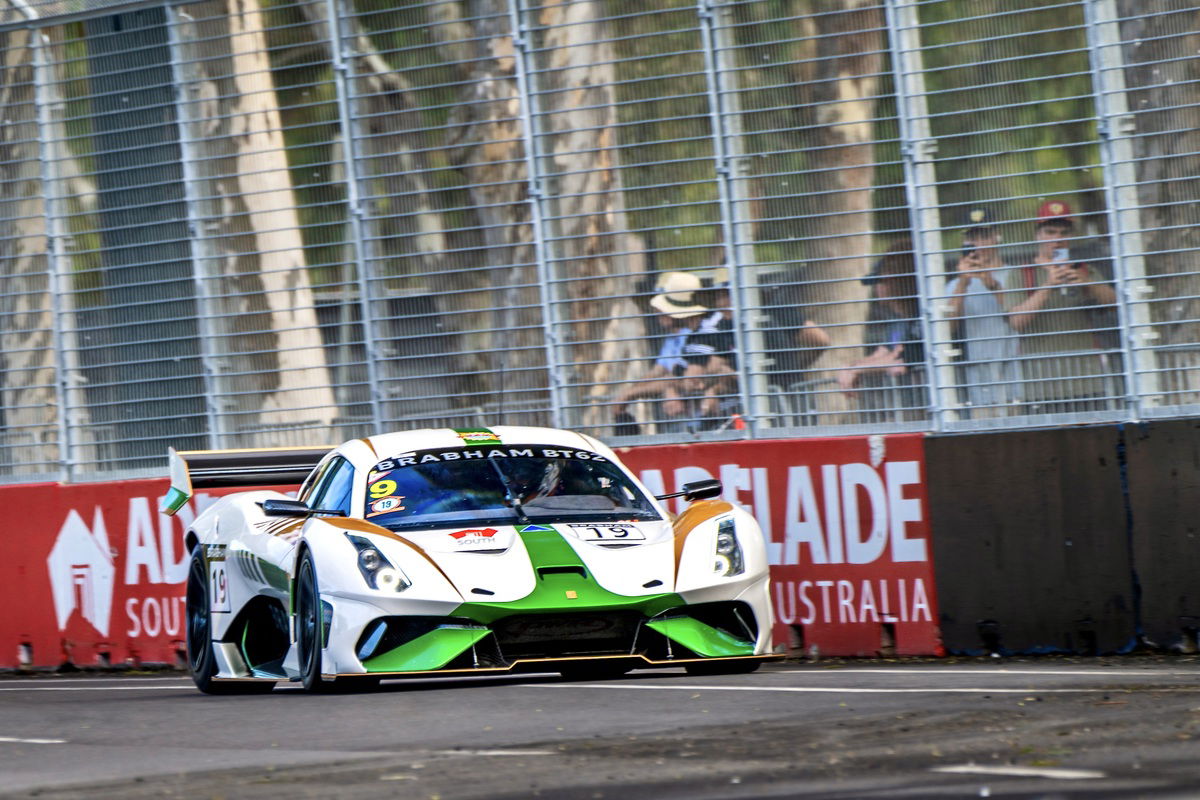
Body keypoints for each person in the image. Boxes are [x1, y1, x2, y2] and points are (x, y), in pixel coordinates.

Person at [1003, 200, 1120, 414]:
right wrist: (1048, 286)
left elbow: (1115, 305)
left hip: (1087, 383)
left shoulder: (1083, 269)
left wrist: (1087, 283)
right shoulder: (1022, 274)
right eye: (1050, 232)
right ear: (1037, 235)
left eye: (1063, 233)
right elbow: (1017, 322)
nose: (1057, 239)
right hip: (1040, 388)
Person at [612, 271, 712, 434]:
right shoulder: (679, 337)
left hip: (707, 416)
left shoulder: (701, 333)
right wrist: (628, 393)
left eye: (662, 307)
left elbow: (688, 378)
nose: (657, 312)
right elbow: (661, 372)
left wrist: (632, 394)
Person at [838, 239, 927, 420]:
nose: (877, 289)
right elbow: (883, 354)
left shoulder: (922, 315)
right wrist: (851, 367)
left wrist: (855, 370)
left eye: (882, 282)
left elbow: (898, 359)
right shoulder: (901, 319)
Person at [945, 209, 1021, 417]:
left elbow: (1018, 317)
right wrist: (963, 282)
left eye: (985, 236)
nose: (979, 244)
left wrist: (990, 281)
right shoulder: (954, 285)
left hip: (1017, 381)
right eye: (972, 238)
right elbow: (947, 329)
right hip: (979, 388)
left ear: (997, 237)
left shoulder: (1016, 276)